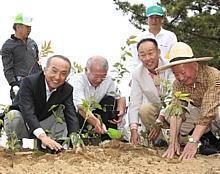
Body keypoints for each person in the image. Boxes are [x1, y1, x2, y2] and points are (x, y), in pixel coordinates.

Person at [155, 42, 220, 160]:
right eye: (175, 74)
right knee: (170, 114)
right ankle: (208, 139)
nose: (180, 77)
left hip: (215, 113)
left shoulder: (213, 75)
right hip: (202, 117)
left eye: (183, 72)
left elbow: (209, 110)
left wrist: (193, 141)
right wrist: (172, 143)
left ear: (194, 65)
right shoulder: (178, 84)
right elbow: (177, 111)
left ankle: (199, 139)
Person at [4, 55, 79, 151]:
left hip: (44, 123)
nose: (57, 77)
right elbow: (28, 112)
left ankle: (53, 145)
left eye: (63, 73)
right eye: (54, 71)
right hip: (24, 123)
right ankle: (16, 145)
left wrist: (75, 138)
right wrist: (42, 136)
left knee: (62, 111)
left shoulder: (67, 89)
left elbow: (71, 115)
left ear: (67, 76)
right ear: (45, 70)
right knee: (13, 115)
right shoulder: (29, 82)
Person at [128, 38, 174, 145]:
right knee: (144, 109)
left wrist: (160, 119)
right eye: (143, 55)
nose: (147, 58)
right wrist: (133, 130)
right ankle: (160, 141)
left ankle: (179, 139)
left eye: (150, 53)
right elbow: (134, 103)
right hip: (156, 109)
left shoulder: (170, 67)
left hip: (172, 108)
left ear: (158, 52)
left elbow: (171, 96)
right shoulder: (137, 73)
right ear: (139, 57)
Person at [70, 55, 126, 140]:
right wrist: (96, 122)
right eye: (96, 76)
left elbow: (120, 97)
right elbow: (81, 107)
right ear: (86, 70)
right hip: (77, 114)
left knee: (110, 100)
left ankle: (108, 139)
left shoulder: (107, 80)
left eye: (103, 76)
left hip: (93, 112)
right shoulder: (77, 81)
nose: (99, 80)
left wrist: (120, 111)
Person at [126, 4, 177, 74]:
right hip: (144, 74)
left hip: (166, 73)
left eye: (157, 17)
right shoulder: (139, 37)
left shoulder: (170, 36)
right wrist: (133, 76)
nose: (154, 20)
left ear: (162, 19)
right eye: (151, 17)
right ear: (147, 20)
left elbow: (174, 57)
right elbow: (133, 60)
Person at [1, 13, 42, 100]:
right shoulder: (8, 46)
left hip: (36, 82)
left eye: (30, 27)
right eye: (27, 27)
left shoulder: (32, 42)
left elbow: (37, 61)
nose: (30, 30)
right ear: (18, 27)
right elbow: (7, 68)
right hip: (20, 83)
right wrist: (14, 84)